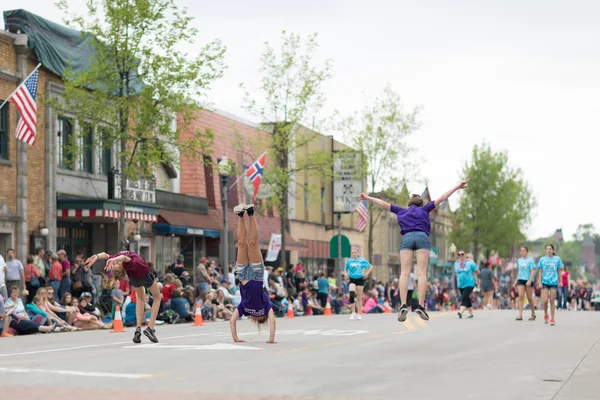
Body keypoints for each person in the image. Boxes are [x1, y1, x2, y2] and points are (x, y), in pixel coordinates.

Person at [358, 178, 470, 322]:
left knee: (404, 272)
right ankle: (420, 306)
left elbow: (383, 204)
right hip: (422, 237)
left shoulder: (402, 211)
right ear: (420, 204)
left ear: (409, 204)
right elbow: (443, 197)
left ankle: (404, 304)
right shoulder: (425, 209)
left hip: (407, 238)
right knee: (422, 273)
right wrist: (457, 186)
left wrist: (366, 197)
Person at [85, 249, 162, 343]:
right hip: (144, 274)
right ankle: (150, 327)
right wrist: (115, 259)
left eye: (114, 264)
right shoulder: (127, 263)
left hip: (134, 278)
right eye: (116, 264)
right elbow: (124, 258)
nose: (115, 262)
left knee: (140, 299)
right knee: (157, 297)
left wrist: (96, 256)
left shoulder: (116, 259)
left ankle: (138, 329)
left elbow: (105, 255)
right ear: (122, 267)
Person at [229, 204, 276, 344]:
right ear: (256, 319)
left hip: (252, 276)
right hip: (248, 276)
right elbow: (232, 321)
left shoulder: (256, 308)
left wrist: (272, 338)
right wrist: (235, 338)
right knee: (244, 243)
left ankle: (247, 214)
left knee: (250, 243)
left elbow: (273, 321)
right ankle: (244, 215)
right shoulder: (256, 309)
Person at [344, 247, 373, 320]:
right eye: (352, 253)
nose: (353, 254)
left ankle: (359, 313)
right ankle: (353, 312)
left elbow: (371, 267)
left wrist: (367, 274)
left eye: (355, 252)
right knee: (351, 294)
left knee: (359, 298)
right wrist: (346, 274)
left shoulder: (361, 260)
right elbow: (345, 269)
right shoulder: (349, 261)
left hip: (360, 279)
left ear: (358, 253)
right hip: (352, 279)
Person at [537, 244, 563, 326]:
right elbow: (540, 271)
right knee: (545, 300)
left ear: (553, 250)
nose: (548, 250)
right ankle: (545, 314)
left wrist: (561, 281)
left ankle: (552, 319)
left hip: (554, 282)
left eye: (550, 249)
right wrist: (539, 282)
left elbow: (559, 271)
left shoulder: (557, 259)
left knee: (552, 301)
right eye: (547, 249)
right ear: (545, 250)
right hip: (545, 282)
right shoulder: (542, 259)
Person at [514, 246, 537, 321]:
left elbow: (533, 271)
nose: (522, 252)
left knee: (529, 298)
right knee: (521, 296)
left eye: (523, 250)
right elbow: (519, 271)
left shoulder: (530, 260)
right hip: (520, 279)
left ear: (527, 251)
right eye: (521, 251)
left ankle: (533, 313)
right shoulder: (519, 260)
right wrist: (515, 281)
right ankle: (520, 315)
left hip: (528, 280)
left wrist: (530, 280)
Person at [455, 250, 479, 319]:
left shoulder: (471, 263)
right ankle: (471, 313)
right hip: (460, 284)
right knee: (467, 298)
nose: (460, 256)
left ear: (465, 255)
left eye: (462, 254)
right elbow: (457, 272)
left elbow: (477, 272)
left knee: (464, 297)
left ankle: (461, 312)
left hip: (469, 283)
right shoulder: (456, 263)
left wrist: (475, 279)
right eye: (459, 254)